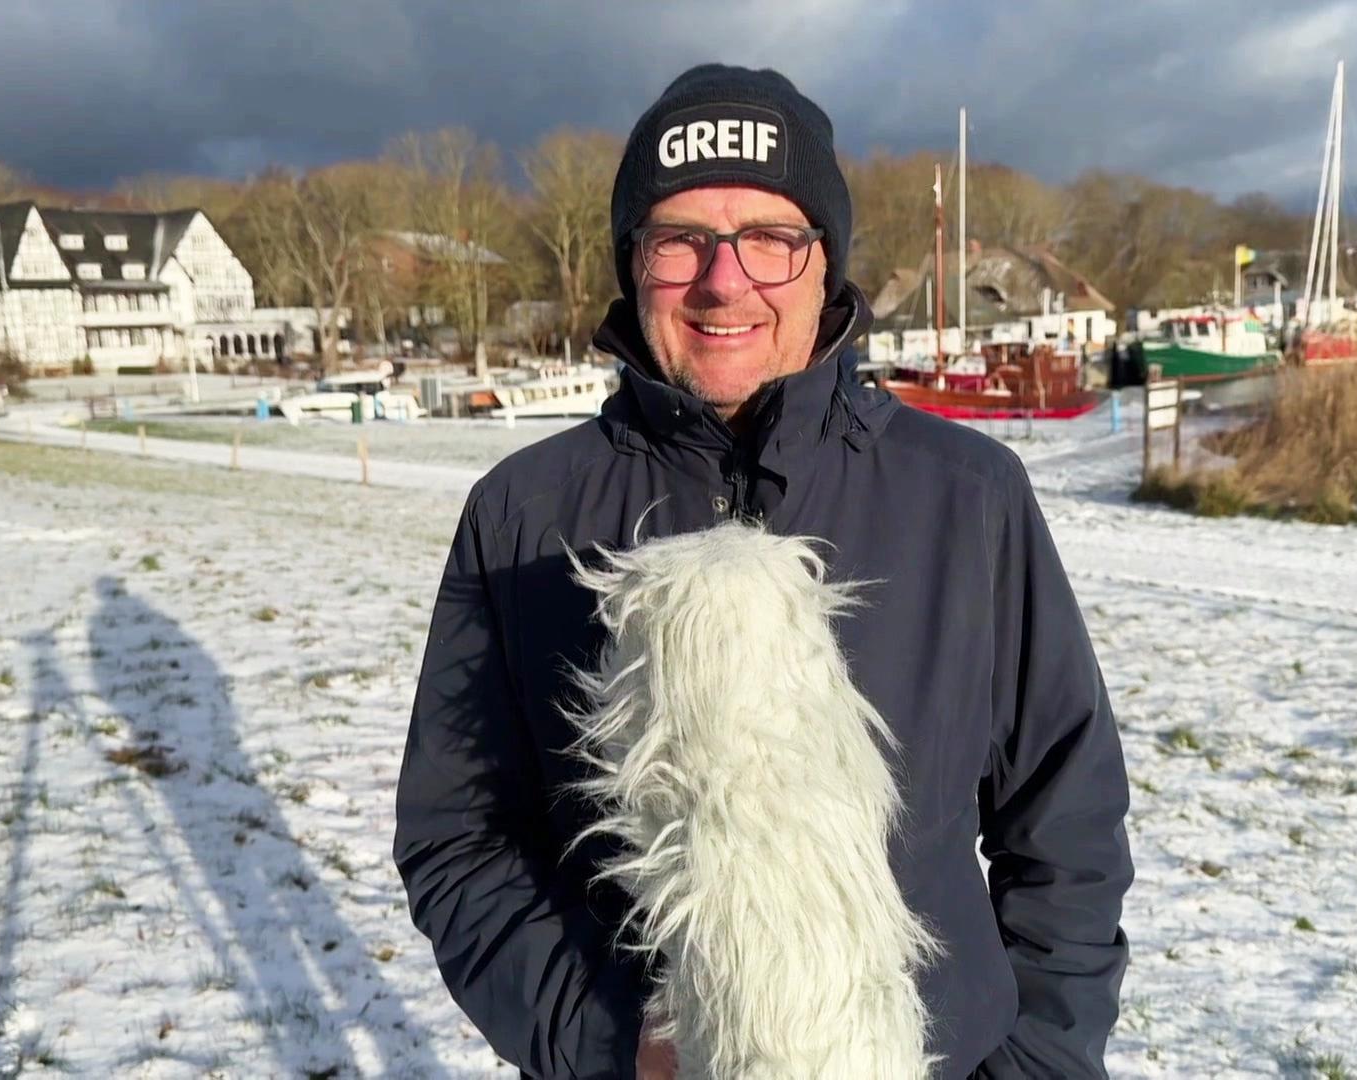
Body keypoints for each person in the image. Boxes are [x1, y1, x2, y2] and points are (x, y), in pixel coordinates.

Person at [395, 64, 1133, 1080]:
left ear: (825, 263)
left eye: (771, 239)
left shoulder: (968, 495)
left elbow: (1067, 821)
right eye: (679, 240)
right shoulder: (522, 515)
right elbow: (459, 836)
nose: (723, 281)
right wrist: (613, 1042)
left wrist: (1038, 1061)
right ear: (632, 264)